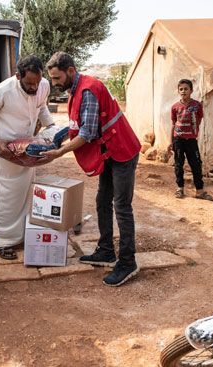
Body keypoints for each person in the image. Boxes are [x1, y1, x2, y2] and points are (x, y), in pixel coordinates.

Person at [42, 52, 141, 287]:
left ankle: (128, 262)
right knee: (101, 201)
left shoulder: (88, 90)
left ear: (70, 71)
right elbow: (78, 125)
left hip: (122, 151)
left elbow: (87, 134)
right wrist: (57, 137)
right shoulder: (75, 91)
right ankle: (106, 250)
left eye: (57, 78)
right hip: (108, 152)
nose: (54, 83)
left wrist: (60, 151)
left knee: (122, 206)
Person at [0, 55, 54, 260]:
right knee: (3, 200)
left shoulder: (42, 85)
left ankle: (21, 235)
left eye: (37, 82)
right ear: (18, 76)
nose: (34, 87)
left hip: (27, 152)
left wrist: (51, 126)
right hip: (3, 154)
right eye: (29, 83)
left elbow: (42, 105)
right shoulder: (3, 90)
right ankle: (1, 241)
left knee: (24, 195)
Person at [168, 79, 213, 201]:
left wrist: (194, 132)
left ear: (191, 90)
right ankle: (180, 189)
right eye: (181, 89)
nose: (183, 91)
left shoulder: (197, 106)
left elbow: (199, 120)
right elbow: (173, 124)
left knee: (196, 164)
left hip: (191, 141)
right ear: (178, 91)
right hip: (178, 140)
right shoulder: (174, 107)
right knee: (178, 164)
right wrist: (170, 141)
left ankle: (199, 191)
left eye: (186, 89)